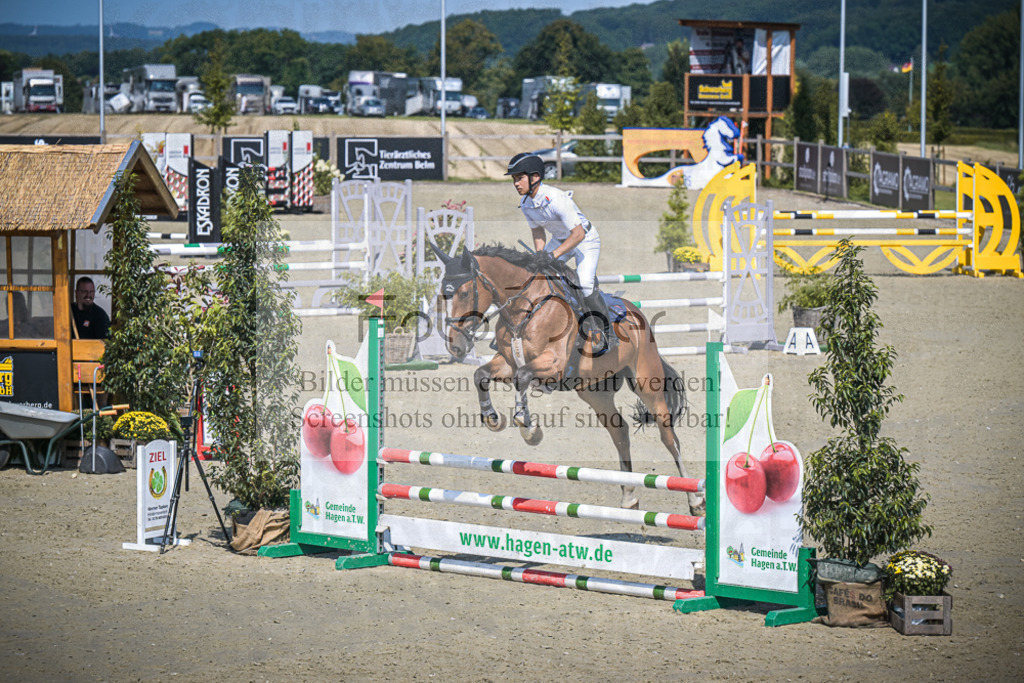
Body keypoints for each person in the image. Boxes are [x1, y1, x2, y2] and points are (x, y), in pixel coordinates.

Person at [505, 152, 614, 352]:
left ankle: (608, 331)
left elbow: (578, 234)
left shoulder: (556, 198)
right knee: (534, 274)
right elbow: (538, 231)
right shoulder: (526, 203)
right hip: (559, 240)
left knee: (584, 283)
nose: (515, 184)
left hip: (585, 240)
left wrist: (552, 256)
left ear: (535, 177)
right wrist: (540, 255)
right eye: (514, 179)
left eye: (519, 178)